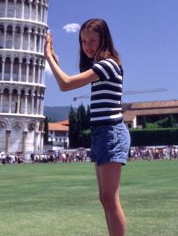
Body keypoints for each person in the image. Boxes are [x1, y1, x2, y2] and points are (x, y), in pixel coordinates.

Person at [45, 18, 130, 236]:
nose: (87, 46)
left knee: (110, 199)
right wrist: (55, 61)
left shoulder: (108, 64)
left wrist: (49, 58)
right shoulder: (99, 66)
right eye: (83, 41)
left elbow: (65, 84)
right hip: (102, 132)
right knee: (106, 199)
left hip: (111, 132)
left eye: (92, 40)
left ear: (104, 40)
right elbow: (67, 80)